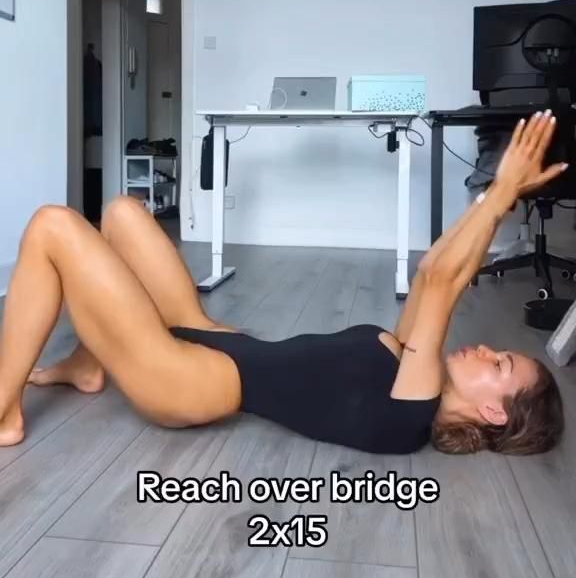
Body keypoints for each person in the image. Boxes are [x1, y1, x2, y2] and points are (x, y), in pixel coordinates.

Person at [0, 111, 566, 455]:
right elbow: (432, 271)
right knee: (124, 211)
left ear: (495, 414)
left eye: (498, 367)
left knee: (53, 225)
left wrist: (502, 195)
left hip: (184, 381)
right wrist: (500, 197)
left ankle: (5, 411)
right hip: (213, 337)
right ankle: (89, 362)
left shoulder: (412, 412)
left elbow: (446, 282)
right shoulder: (410, 374)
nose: (488, 351)